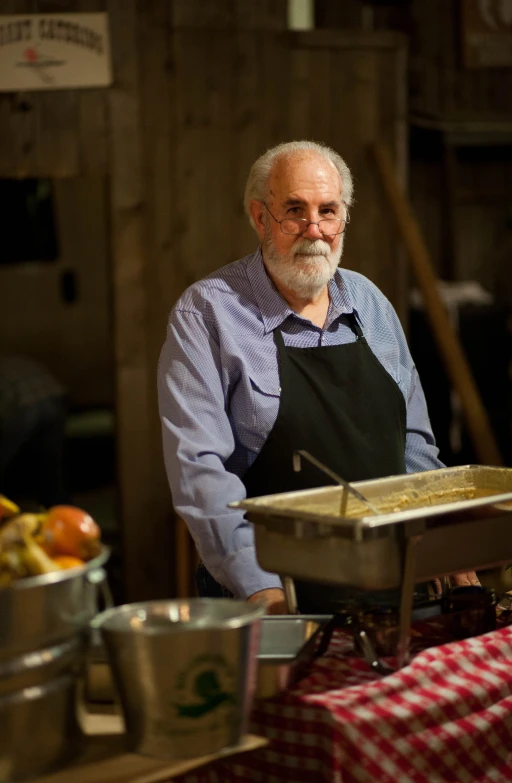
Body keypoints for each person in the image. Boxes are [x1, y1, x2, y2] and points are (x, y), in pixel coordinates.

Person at [158, 140, 479, 614]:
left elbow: (413, 447)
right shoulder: (207, 314)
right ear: (259, 217)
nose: (314, 230)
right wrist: (261, 586)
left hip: (393, 585)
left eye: (327, 211)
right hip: (278, 594)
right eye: (294, 210)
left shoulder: (371, 305)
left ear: (343, 218)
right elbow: (199, 471)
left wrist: (440, 541)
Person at [0, 354, 69, 509]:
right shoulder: (14, 360)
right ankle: (59, 507)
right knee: (51, 462)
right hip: (56, 399)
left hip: (24, 405)